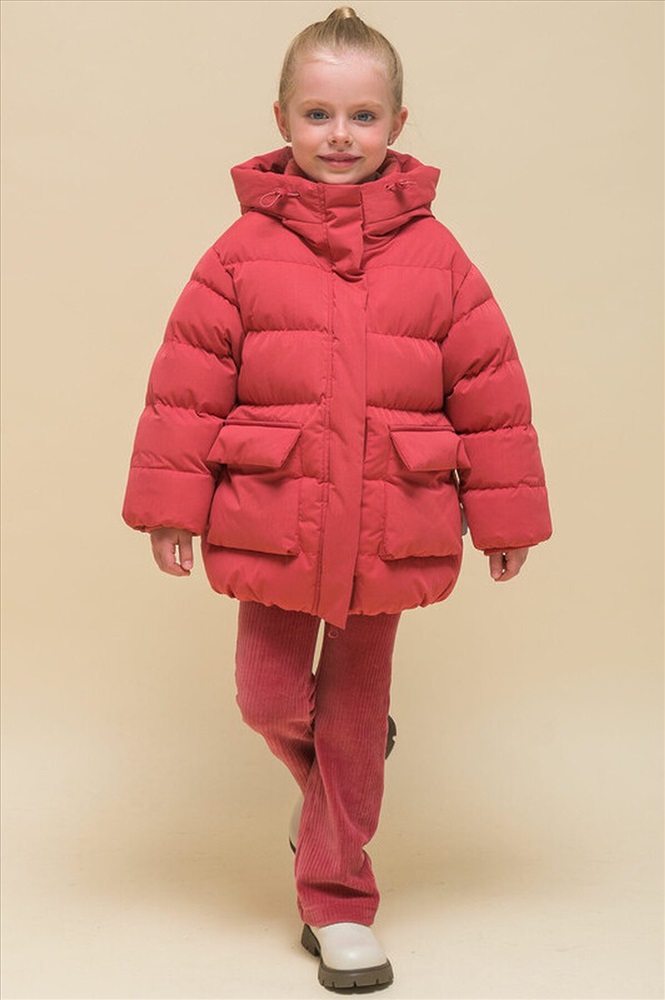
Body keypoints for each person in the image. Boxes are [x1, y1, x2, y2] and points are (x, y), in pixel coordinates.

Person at [122, 6, 552, 992]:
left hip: (390, 525)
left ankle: (338, 900)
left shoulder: (440, 258)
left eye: (362, 115)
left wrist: (503, 516)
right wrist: (172, 505)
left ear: (397, 123)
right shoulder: (238, 254)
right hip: (274, 518)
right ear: (281, 118)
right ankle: (332, 794)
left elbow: (489, 389)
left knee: (353, 719)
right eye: (318, 113)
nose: (340, 135)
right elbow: (187, 382)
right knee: (266, 697)